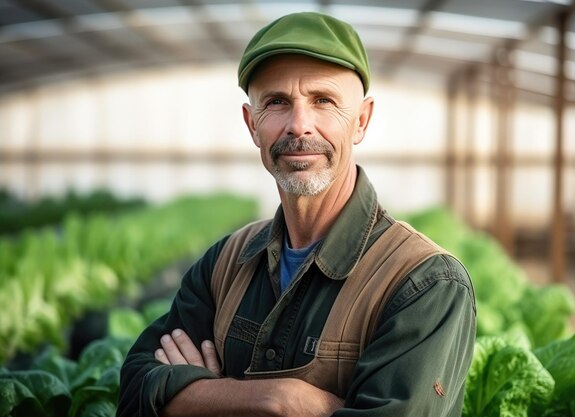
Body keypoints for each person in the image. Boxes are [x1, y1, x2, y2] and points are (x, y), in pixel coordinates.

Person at [117, 11, 476, 417]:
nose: (299, 125)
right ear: (252, 125)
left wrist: (201, 398)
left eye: (323, 101)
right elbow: (133, 391)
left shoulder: (424, 283)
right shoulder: (224, 264)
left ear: (361, 120)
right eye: (277, 102)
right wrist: (282, 401)